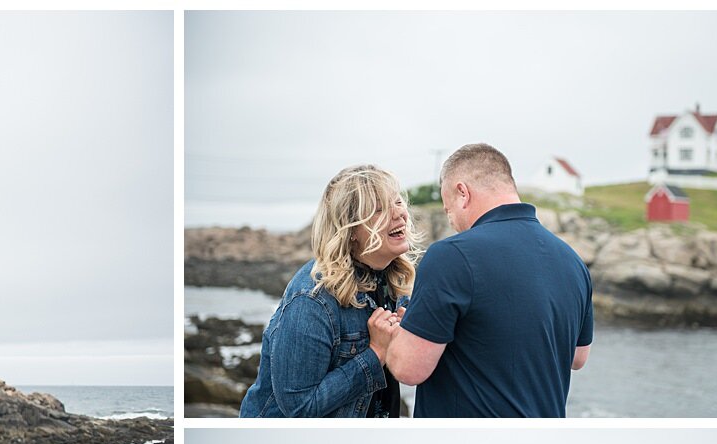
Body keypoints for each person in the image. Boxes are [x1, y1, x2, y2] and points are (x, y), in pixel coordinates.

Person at [385, 144, 594, 417]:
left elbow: (407, 369)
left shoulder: (451, 255)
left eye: (449, 210)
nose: (452, 222)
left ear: (463, 193)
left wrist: (396, 334)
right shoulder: (573, 261)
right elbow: (578, 358)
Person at [240, 164, 413, 418]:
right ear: (351, 230)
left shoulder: (396, 283)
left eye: (397, 202)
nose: (399, 214)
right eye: (379, 209)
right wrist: (376, 353)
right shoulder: (312, 299)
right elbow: (299, 409)